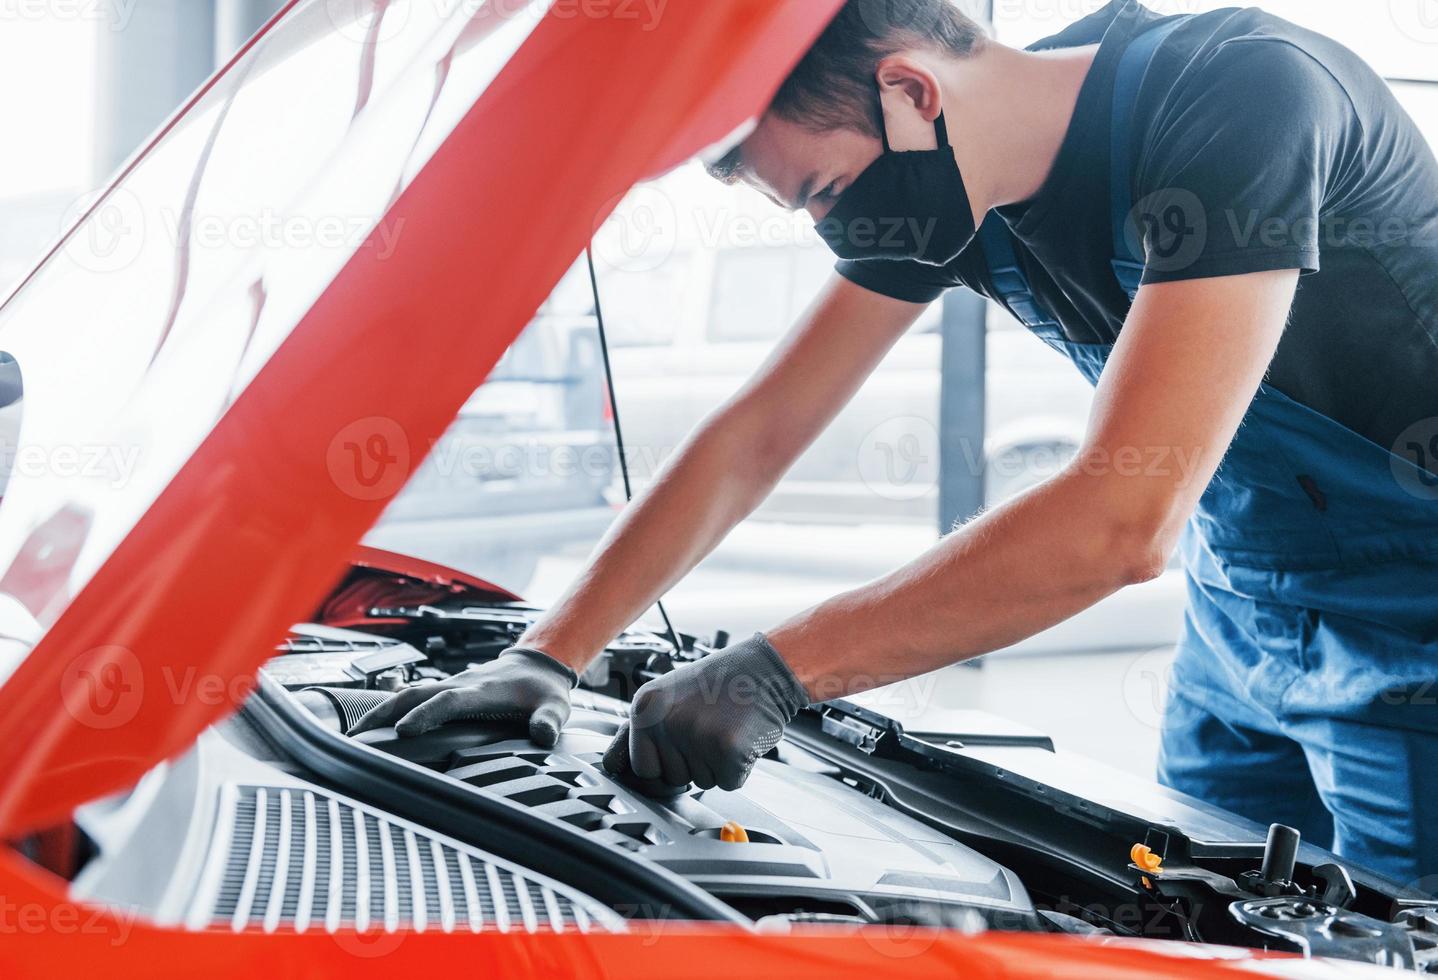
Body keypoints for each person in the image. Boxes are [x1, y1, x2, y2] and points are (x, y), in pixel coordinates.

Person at [355, 0, 1438, 883]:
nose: (836, 230)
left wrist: (780, 672)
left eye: (828, 192)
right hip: (1241, 611)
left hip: (1417, 622)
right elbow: (756, 432)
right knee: (1207, 913)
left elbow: (1120, 520)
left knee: (1394, 942)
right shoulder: (954, 179)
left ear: (912, 92)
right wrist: (549, 651)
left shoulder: (1240, 93)